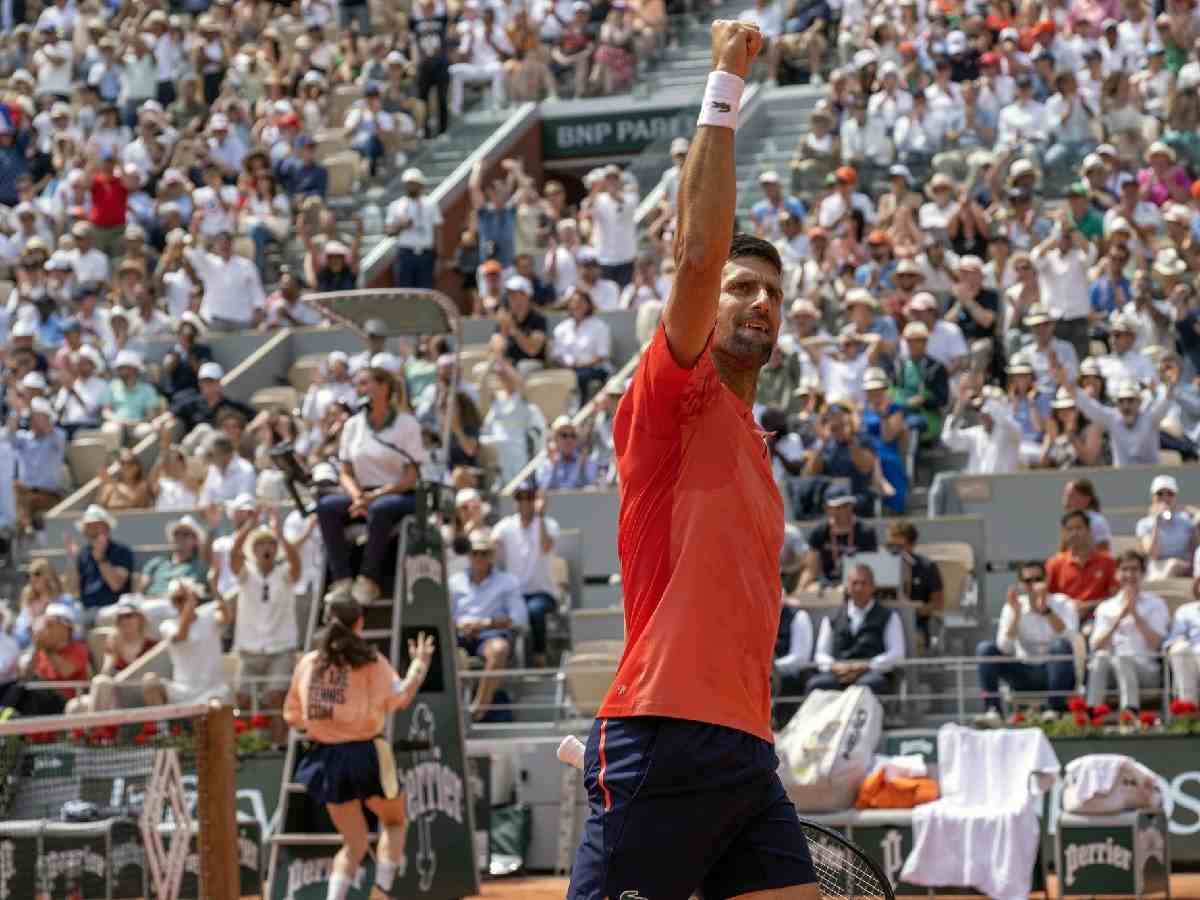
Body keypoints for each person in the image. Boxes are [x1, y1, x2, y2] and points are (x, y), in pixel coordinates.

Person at [568, 22, 819, 900]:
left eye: (773, 295)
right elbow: (696, 253)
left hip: (744, 749)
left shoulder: (756, 443)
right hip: (661, 739)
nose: (759, 304)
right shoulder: (672, 399)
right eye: (741, 290)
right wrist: (724, 80)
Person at [284, 600, 434, 900]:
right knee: (394, 822)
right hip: (367, 754)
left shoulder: (308, 662)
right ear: (360, 624)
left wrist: (326, 725)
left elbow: (294, 716)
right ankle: (381, 892)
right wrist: (419, 665)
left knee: (353, 843)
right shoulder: (370, 661)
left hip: (326, 757)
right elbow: (400, 697)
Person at [317, 367, 425, 605]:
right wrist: (357, 497)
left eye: (365, 383)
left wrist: (374, 496)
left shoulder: (407, 424)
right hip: (362, 494)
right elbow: (345, 472)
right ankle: (342, 580)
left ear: (384, 387)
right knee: (326, 507)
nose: (360, 389)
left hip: (399, 494)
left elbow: (410, 477)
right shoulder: (353, 425)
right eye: (358, 385)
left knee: (382, 508)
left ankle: (369, 580)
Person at [228, 511, 301, 747]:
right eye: (260, 543)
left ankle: (278, 747)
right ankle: (248, 746)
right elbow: (233, 555)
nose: (266, 547)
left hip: (280, 648)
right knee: (241, 698)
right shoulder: (246, 574)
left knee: (275, 697)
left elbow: (296, 563)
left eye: (270, 542)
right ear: (253, 549)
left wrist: (280, 535)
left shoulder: (285, 573)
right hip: (249, 649)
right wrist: (250, 524)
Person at [976, 561, 1078, 720]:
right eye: (1028, 581)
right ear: (1021, 585)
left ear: (1047, 580)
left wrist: (1046, 611)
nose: (1033, 585)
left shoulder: (1063, 603)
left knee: (1060, 645)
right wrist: (1016, 616)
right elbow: (1004, 648)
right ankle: (993, 710)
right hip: (1023, 672)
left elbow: (1072, 641)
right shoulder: (1013, 606)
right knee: (985, 649)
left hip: (1056, 673)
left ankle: (1054, 709)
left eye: (1038, 579)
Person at [450, 528, 528, 720]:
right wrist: (460, 626)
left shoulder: (507, 581)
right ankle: (456, 710)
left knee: (499, 649)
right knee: (447, 652)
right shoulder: (453, 582)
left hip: (490, 635)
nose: (479, 557)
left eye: (484, 553)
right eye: (474, 553)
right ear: (468, 555)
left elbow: (519, 618)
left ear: (491, 555)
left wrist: (484, 624)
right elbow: (445, 617)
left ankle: (478, 709)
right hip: (459, 635)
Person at [1086, 550, 1169, 714]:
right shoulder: (1106, 607)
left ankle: (1129, 713)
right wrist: (1119, 618)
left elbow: (1156, 643)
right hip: (1111, 672)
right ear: (1117, 574)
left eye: (1134, 569)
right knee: (1101, 657)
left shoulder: (1156, 604)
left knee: (1122, 657)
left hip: (1146, 672)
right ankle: (1091, 713)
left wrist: (1135, 614)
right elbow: (1096, 646)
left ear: (1142, 573)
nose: (1129, 574)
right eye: (1124, 569)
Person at [808, 562, 905, 694]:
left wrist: (868, 665)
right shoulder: (832, 617)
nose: (859, 588)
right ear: (847, 587)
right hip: (838, 673)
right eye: (854, 583)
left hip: (872, 674)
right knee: (817, 684)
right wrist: (835, 666)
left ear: (873, 587)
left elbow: (897, 653)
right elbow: (820, 654)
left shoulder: (889, 616)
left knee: (867, 686)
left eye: (864, 583)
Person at [492, 482, 559, 666]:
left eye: (529, 497)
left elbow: (546, 546)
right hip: (513, 594)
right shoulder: (505, 525)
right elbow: (490, 545)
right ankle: (507, 663)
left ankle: (540, 656)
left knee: (534, 611)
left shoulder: (548, 524)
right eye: (519, 497)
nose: (524, 502)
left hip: (542, 593)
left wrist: (541, 515)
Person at [142, 577, 231, 707]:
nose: (182, 604)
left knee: (217, 705)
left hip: (212, 690)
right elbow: (181, 636)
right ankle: (162, 727)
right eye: (177, 600)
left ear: (195, 596)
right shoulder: (167, 626)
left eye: (184, 598)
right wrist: (189, 605)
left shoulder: (209, 615)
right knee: (149, 682)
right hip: (182, 691)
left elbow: (227, 617)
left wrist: (215, 587)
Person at [1046, 509, 1118, 623]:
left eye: (1079, 528)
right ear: (1063, 534)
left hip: (1098, 620)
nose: (1074, 533)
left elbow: (1116, 598)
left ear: (1088, 530)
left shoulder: (1107, 561)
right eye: (1069, 529)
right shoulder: (1054, 563)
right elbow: (1047, 598)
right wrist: (1069, 608)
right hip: (1063, 622)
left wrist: (1090, 606)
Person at [66, 504, 135, 624]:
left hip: (114, 608)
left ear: (107, 528)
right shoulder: (83, 554)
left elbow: (116, 585)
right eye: (89, 526)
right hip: (86, 609)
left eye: (96, 525)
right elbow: (73, 591)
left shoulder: (122, 551)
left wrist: (101, 559)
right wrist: (72, 560)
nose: (92, 530)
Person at [885, 520, 943, 650]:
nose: (893, 552)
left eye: (899, 547)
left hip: (916, 624)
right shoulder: (880, 567)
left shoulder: (927, 567)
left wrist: (911, 610)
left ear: (911, 545)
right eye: (890, 546)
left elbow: (938, 604)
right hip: (884, 622)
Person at [1136, 474, 1196, 580]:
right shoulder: (1143, 524)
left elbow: (1193, 549)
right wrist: (1157, 522)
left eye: (1170, 494)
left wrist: (1190, 512)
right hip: (1155, 570)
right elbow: (1153, 554)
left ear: (1175, 497)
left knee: (1174, 565)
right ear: (1152, 497)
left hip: (1184, 567)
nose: (1165, 498)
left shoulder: (1186, 519)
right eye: (1159, 494)